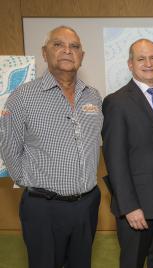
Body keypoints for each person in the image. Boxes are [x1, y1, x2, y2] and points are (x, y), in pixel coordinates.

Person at [0, 26, 103, 268]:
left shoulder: (93, 96)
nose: (67, 50)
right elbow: (8, 145)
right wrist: (31, 182)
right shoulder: (23, 96)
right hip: (43, 209)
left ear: (82, 56)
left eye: (74, 46)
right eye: (58, 44)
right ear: (44, 53)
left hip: (87, 205)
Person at [102, 39, 153, 268]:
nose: (148, 63)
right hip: (137, 209)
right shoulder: (116, 102)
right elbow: (115, 159)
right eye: (141, 58)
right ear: (130, 64)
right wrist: (129, 206)